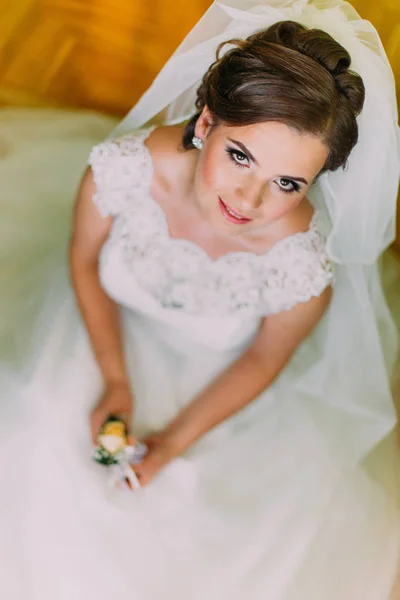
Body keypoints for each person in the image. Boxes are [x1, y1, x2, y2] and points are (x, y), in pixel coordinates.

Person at [0, 1, 399, 598]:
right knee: (31, 442)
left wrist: (173, 442)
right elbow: (83, 261)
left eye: (288, 183)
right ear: (207, 123)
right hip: (97, 329)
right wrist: (115, 379)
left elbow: (263, 360)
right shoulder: (125, 172)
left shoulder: (299, 263)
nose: (250, 197)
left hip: (218, 385)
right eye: (242, 156)